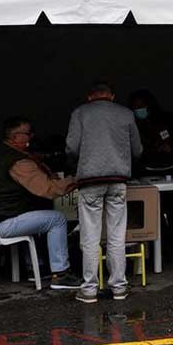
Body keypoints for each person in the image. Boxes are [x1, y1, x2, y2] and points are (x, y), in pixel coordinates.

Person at [0, 117, 81, 289]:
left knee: (36, 212)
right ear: (16, 137)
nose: (31, 137)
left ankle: (37, 269)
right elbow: (48, 189)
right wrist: (78, 179)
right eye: (28, 133)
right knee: (57, 219)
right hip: (1, 224)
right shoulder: (18, 162)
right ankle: (61, 274)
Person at [66, 82, 142, 303]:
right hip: (118, 180)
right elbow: (137, 150)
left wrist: (80, 161)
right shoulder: (126, 113)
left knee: (90, 237)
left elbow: (71, 147)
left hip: (90, 181)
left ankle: (89, 289)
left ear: (90, 97)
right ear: (112, 96)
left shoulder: (79, 113)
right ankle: (119, 286)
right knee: (117, 236)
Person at [128, 89, 173, 175]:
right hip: (147, 168)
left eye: (141, 106)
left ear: (149, 104)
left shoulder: (167, 118)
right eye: (135, 107)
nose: (138, 109)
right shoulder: (133, 124)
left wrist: (171, 145)